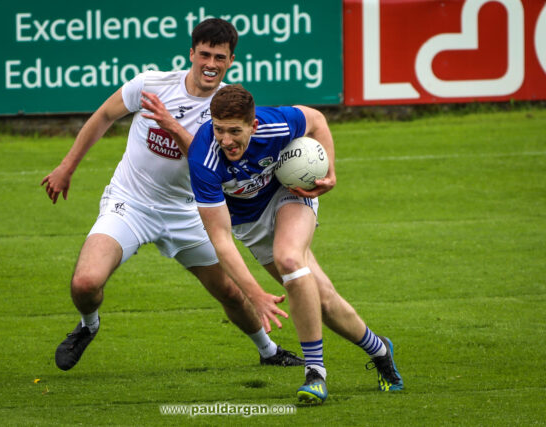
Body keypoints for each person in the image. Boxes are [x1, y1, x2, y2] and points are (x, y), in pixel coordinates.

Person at [41, 19, 303, 372]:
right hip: (129, 204)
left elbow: (210, 161)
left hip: (189, 211)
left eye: (220, 57)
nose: (211, 63)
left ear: (231, 60)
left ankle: (269, 351)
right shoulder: (152, 85)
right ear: (191, 53)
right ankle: (89, 326)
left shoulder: (227, 106)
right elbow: (104, 115)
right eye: (205, 54)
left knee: (227, 291)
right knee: (85, 283)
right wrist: (66, 167)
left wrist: (173, 125)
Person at [187, 84, 404, 405]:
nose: (226, 140)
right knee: (324, 299)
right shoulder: (203, 158)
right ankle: (381, 350)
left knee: (289, 259)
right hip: (249, 224)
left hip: (288, 193)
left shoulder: (275, 123)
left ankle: (315, 374)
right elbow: (221, 239)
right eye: (219, 130)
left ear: (254, 125)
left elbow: (316, 120)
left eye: (235, 131)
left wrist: (330, 171)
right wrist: (255, 294)